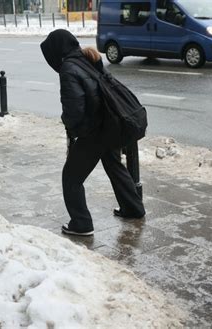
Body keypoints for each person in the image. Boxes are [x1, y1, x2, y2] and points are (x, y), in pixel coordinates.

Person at [40, 29, 145, 236]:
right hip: (112, 125)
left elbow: (75, 110)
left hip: (96, 131)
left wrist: (71, 129)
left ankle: (81, 223)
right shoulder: (87, 58)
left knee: (71, 178)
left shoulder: (69, 68)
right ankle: (133, 208)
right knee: (114, 165)